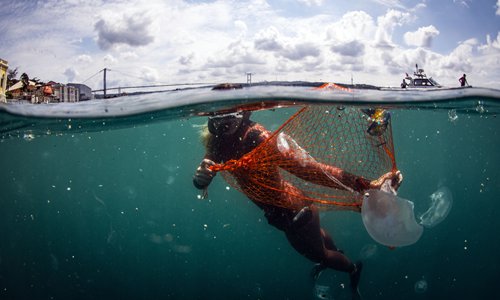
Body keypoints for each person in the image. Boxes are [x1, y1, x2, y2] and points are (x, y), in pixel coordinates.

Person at [193, 101, 402, 299]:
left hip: (294, 213)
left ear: (245, 112)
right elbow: (208, 162)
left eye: (231, 115)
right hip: (288, 211)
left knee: (320, 256)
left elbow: (308, 170)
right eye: (218, 117)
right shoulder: (218, 140)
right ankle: (336, 252)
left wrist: (362, 184)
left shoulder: (257, 136)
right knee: (318, 237)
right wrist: (201, 178)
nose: (223, 122)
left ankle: (353, 270)